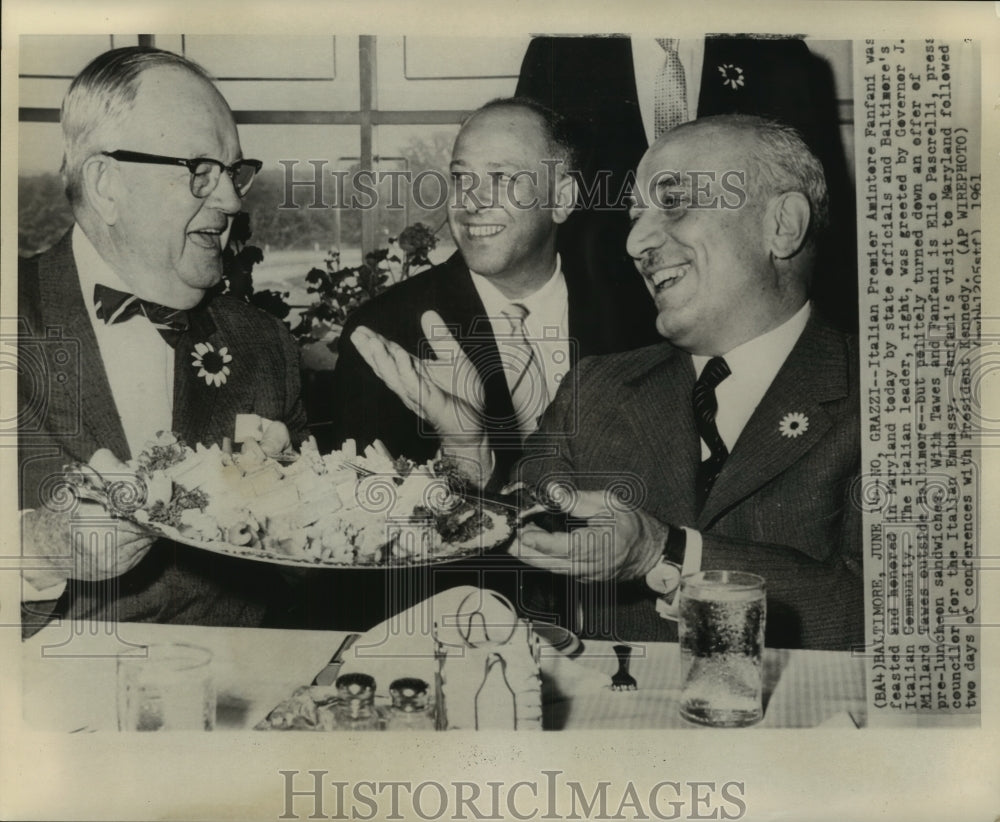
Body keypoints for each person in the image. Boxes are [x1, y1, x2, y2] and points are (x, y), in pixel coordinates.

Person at [353, 115, 863, 650]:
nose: (636, 242)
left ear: (782, 225)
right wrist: (468, 452)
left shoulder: (897, 400)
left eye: (673, 203)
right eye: (636, 217)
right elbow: (507, 572)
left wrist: (665, 554)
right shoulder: (597, 389)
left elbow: (902, 613)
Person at [18, 47, 308, 633]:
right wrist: (38, 548)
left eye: (234, 173)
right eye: (200, 170)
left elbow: (312, 570)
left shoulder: (265, 345)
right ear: (106, 184)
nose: (230, 202)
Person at [330, 96, 653, 480]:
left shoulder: (638, 320)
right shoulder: (385, 334)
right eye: (460, 178)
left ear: (562, 198)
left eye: (501, 178)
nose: (471, 201)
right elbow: (368, 515)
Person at [515, 35, 857, 334]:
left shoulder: (776, 53)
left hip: (743, 334)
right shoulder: (559, 53)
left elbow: (818, 223)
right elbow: (527, 215)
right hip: (603, 333)